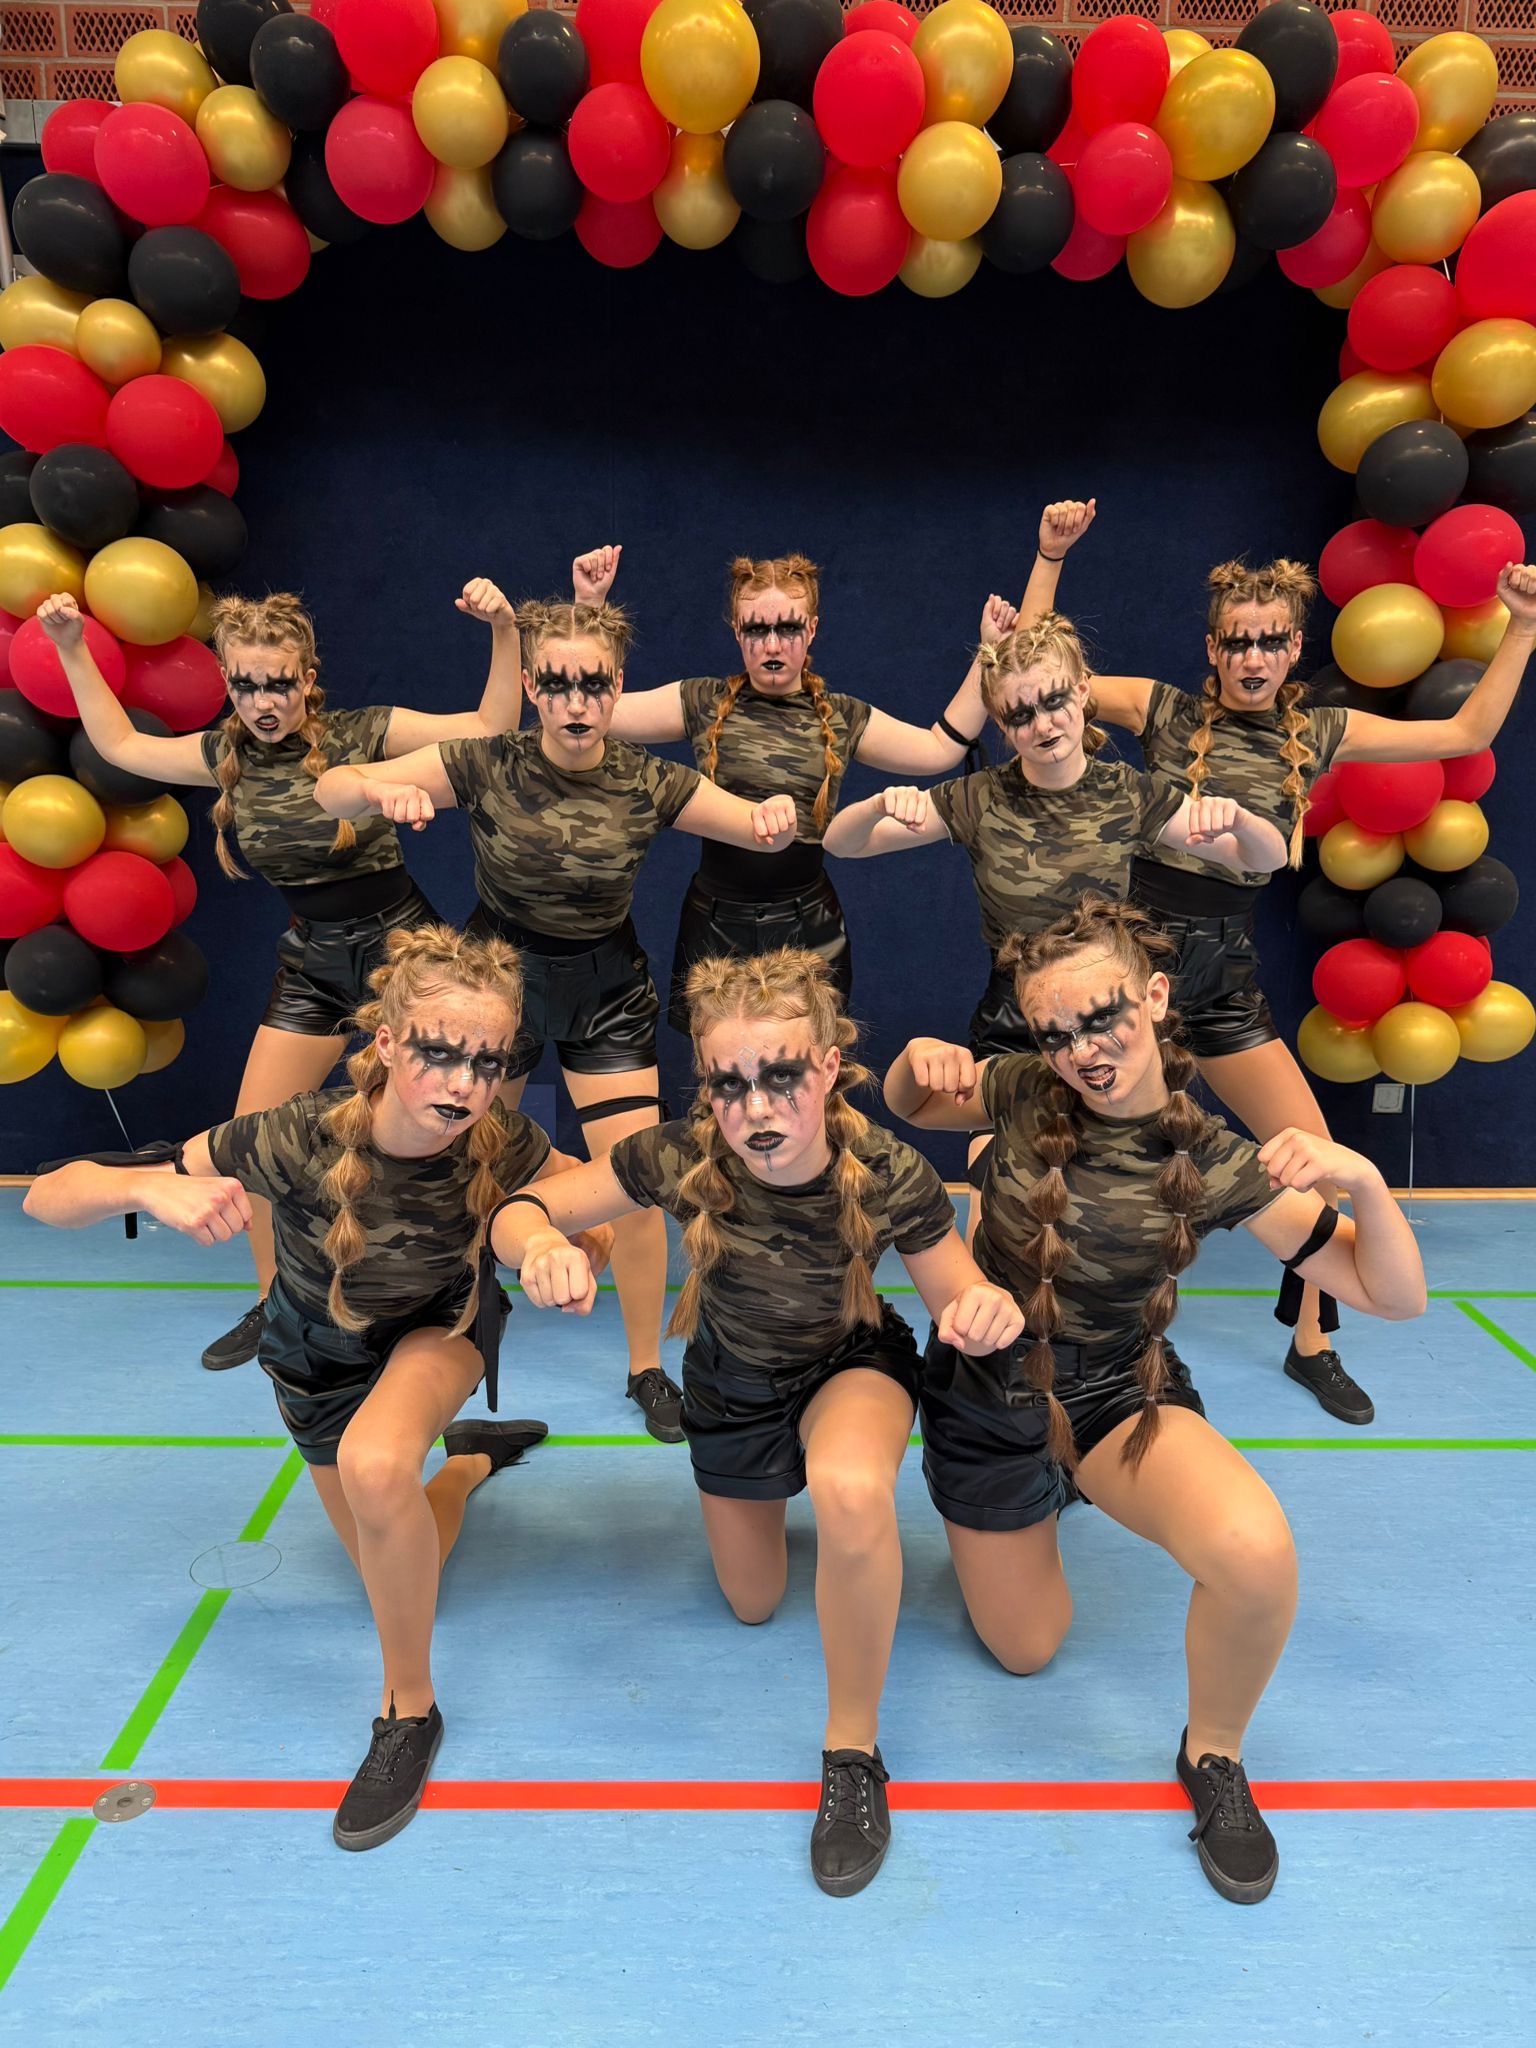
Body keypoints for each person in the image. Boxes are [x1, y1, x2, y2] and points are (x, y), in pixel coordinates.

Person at [884, 894, 1426, 1905]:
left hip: (1114, 1391)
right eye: (1057, 1031)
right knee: (1027, 1650)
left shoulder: (1214, 1160)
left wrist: (1364, 1182)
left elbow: (1392, 1295)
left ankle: (1213, 1753)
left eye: (1103, 1017)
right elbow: (912, 1102)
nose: (1084, 1050)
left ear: (1157, 996)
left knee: (1255, 1554)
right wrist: (922, 1062)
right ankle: (1016, 1501)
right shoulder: (1022, 1090)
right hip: (987, 1396)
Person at [24, 924, 611, 1852]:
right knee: (401, 1564)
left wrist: (569, 1245)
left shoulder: (500, 1139)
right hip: (315, 1364)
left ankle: (408, 1711)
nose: (464, 1083)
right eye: (440, 1052)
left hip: (439, 1334)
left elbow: (585, 1191)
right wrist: (145, 1191)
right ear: (387, 1042)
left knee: (379, 1469)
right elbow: (45, 1197)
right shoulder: (294, 1135)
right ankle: (465, 1468)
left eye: (487, 1062)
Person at [488, 948, 1024, 1899]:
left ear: (829, 1066)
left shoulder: (885, 1168)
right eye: (730, 1084)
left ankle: (852, 1751)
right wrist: (536, 1246)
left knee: (851, 1491)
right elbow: (523, 1208)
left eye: (782, 1076)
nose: (757, 1108)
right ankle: (819, 1533)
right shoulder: (678, 1155)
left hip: (850, 1364)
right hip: (732, 1387)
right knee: (752, 1600)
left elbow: (960, 1292)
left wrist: (986, 1309)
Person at [1022, 505, 1536, 1424]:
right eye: (1236, 642)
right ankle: (1062, 1337)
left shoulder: (1323, 730)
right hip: (1128, 974)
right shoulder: (1164, 709)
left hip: (1221, 976)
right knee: (1076, 1151)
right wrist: (1049, 557)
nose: (1252, 658)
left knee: (1319, 1166)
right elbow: (1034, 678)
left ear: (1295, 647)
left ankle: (1312, 1343)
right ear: (1212, 648)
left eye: (1269, 642)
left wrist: (1524, 628)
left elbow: (1465, 734)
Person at [312, 597, 798, 1447]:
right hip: (494, 994)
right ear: (532, 686)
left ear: (617, 687)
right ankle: (445, 1339)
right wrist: (374, 788)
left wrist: (773, 818)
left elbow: (755, 829)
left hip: (605, 992)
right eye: (559, 684)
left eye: (595, 685)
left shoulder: (647, 779)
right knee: (461, 1168)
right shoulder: (487, 761)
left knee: (635, 1179)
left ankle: (646, 1366)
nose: (577, 703)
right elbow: (329, 791)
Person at [36, 579, 525, 1373]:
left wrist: (504, 629)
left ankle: (469, 1291)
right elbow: (120, 745)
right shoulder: (224, 756)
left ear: (308, 678)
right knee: (251, 1139)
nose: (264, 702)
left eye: (280, 684)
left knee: (456, 1132)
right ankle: (276, 1307)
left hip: (401, 955)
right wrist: (69, 647)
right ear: (228, 682)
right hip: (314, 960)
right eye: (246, 685)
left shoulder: (361, 733)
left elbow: (490, 727)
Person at [569, 544, 1000, 1026]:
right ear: (737, 631)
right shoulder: (702, 701)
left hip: (808, 927)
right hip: (715, 923)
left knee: (811, 1060)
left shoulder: (842, 715)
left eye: (788, 628)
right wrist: (590, 607)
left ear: (811, 628)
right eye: (756, 629)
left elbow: (940, 749)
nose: (772, 645)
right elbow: (595, 712)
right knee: (718, 1060)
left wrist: (989, 654)